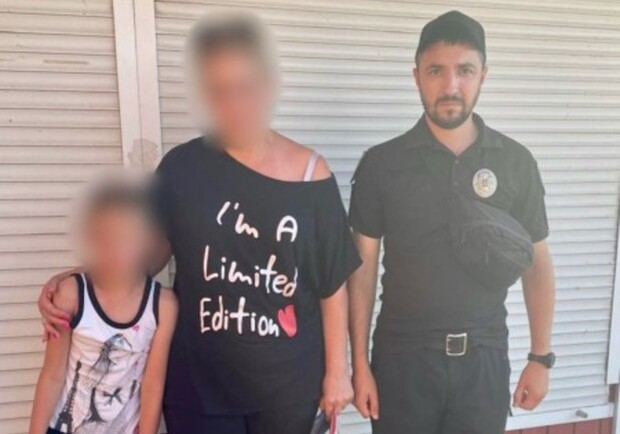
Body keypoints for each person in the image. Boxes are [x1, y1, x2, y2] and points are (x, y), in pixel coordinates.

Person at [38, 11, 360, 434]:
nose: (234, 104)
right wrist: (76, 284)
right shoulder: (182, 168)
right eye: (219, 91)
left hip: (288, 389)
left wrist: (338, 372)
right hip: (200, 387)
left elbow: (332, 283)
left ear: (267, 85)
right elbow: (143, 259)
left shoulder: (311, 176)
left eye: (244, 87)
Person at [347, 10, 556, 434]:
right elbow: (361, 270)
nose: (450, 86)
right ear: (416, 77)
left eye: (465, 70)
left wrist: (540, 357)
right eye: (436, 71)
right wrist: (360, 364)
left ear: (483, 75)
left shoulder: (515, 162)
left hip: (484, 359)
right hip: (402, 361)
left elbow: (537, 263)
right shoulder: (382, 165)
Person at [29, 176, 178, 434]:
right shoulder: (71, 295)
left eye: (125, 238)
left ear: (147, 241)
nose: (114, 250)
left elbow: (153, 385)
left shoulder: (163, 306)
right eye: (104, 238)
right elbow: (52, 375)